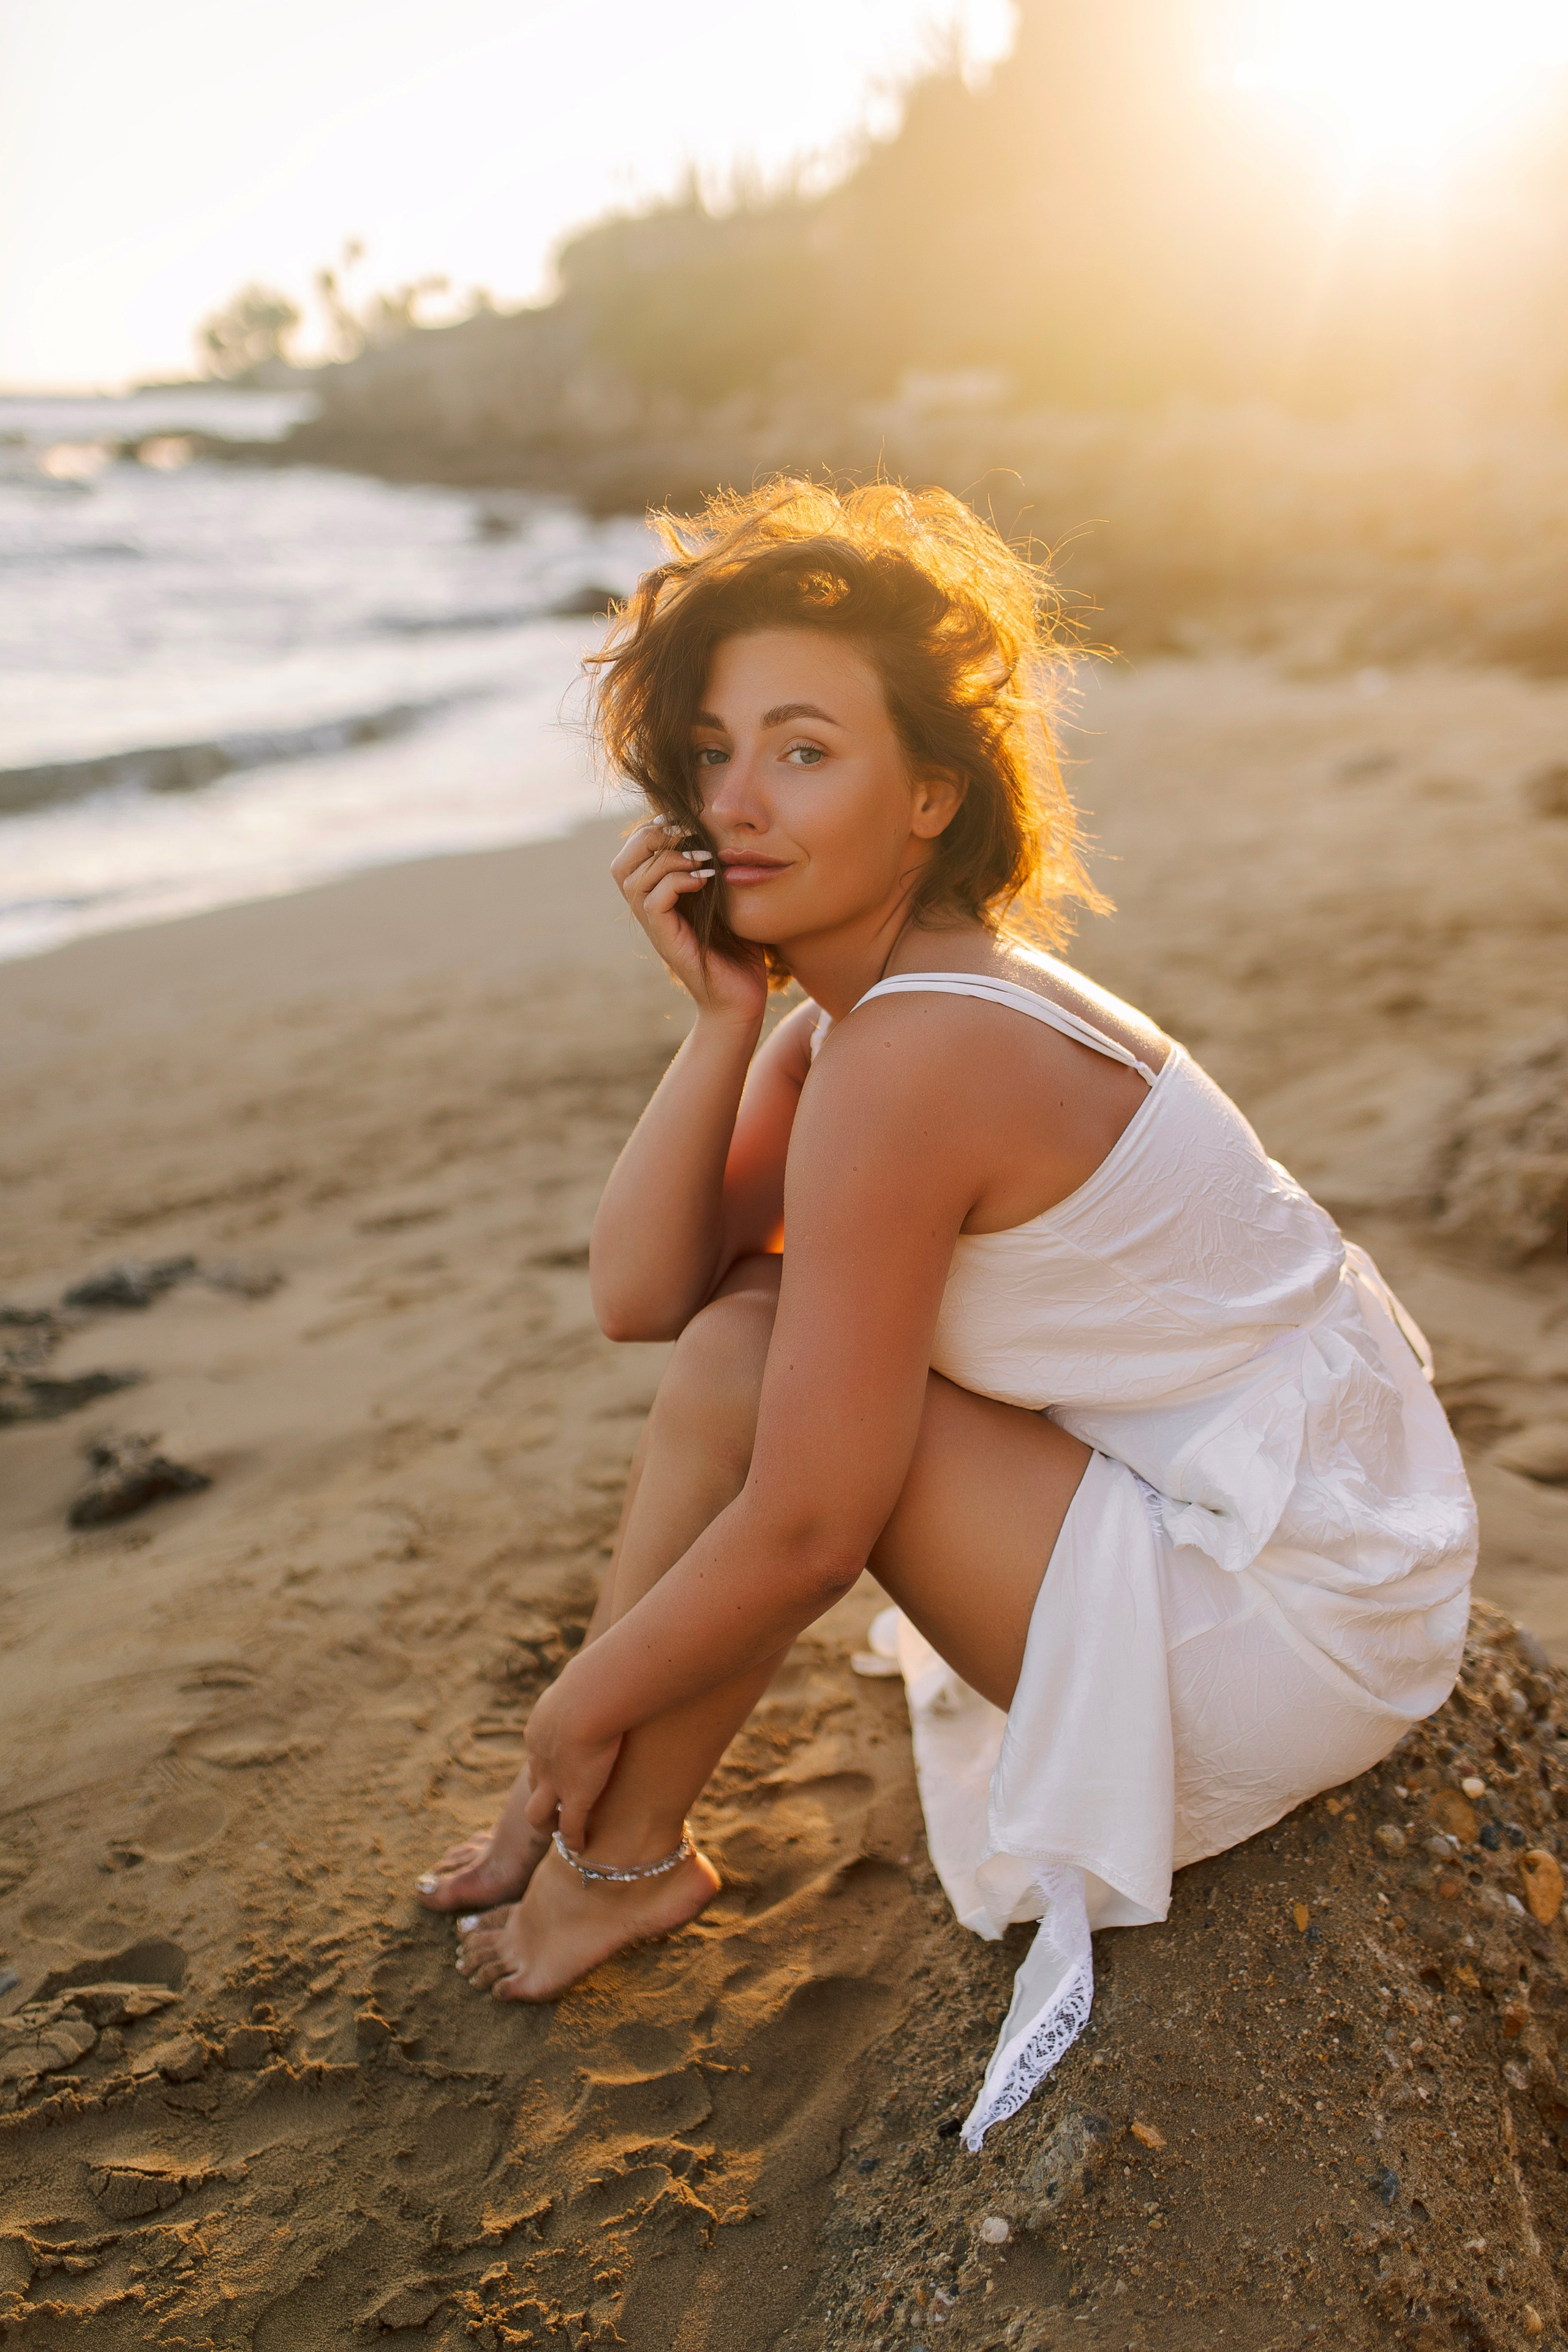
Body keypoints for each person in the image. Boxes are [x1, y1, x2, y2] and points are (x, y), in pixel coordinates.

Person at [416, 480, 1476, 2146]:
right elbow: (646, 1300)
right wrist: (715, 1027)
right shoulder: (864, 1015)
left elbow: (816, 1527)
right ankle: (622, 1861)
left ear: (931, 792)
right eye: (710, 752)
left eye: (804, 750)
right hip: (1301, 1522)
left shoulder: (918, 1051)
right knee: (739, 1348)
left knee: (800, 1421)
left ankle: (605, 1850)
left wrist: (575, 1704)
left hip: (1295, 1614)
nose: (739, 802)